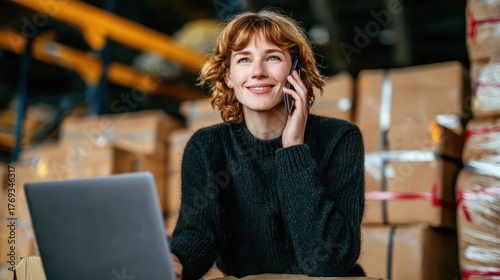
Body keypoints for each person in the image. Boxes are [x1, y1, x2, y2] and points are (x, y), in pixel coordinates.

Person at [170, 9, 366, 280]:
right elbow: (200, 234)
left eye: (272, 57)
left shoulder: (339, 138)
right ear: (228, 76)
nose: (258, 72)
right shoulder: (207, 146)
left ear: (295, 71)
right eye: (244, 60)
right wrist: (175, 261)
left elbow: (327, 263)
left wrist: (294, 150)